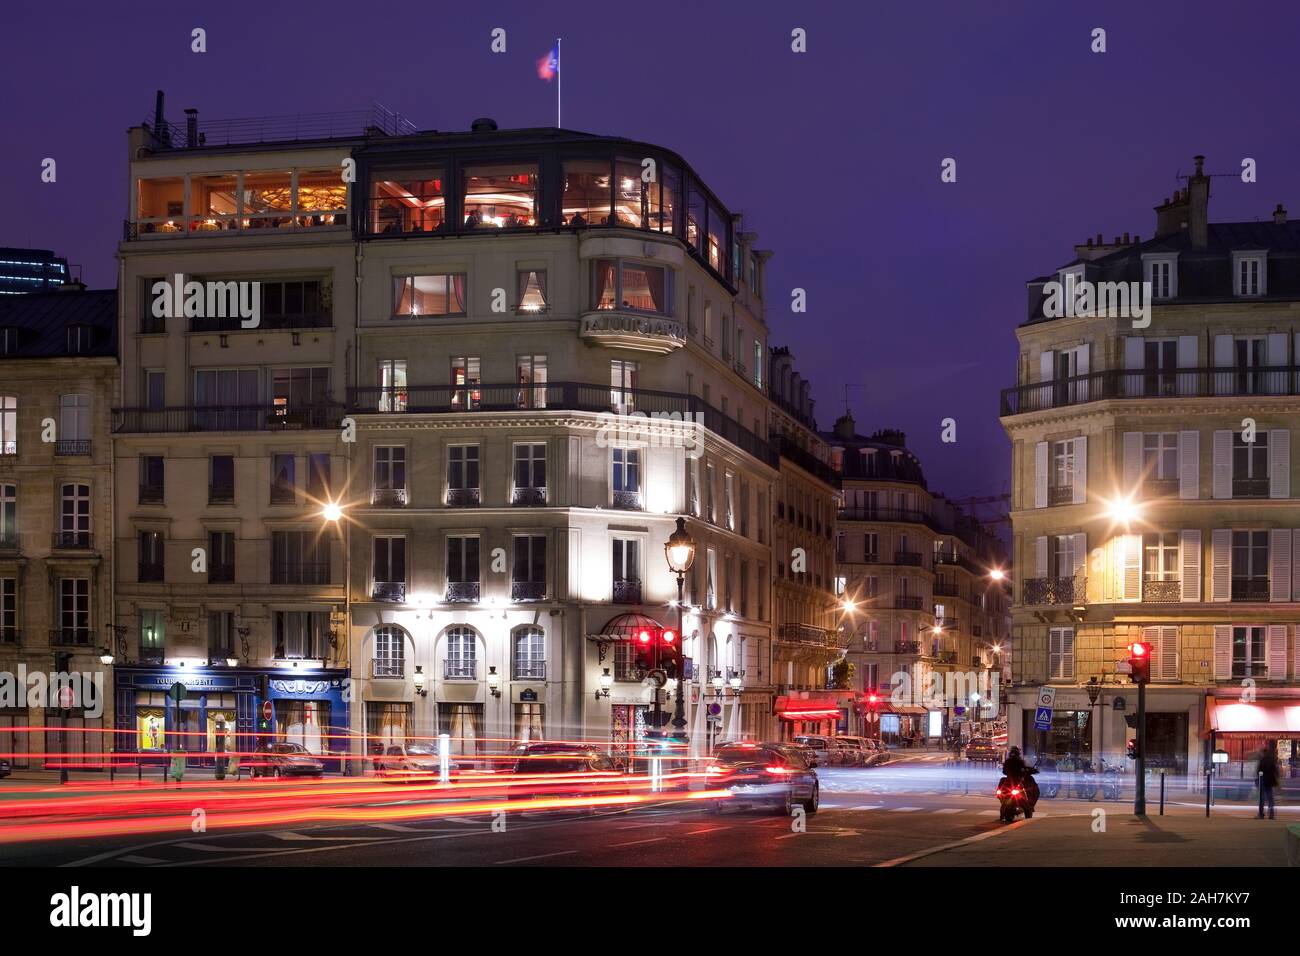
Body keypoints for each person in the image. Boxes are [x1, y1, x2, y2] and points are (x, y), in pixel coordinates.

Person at [1259, 740, 1280, 820]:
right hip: (1270, 781)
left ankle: (1261, 813)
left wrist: (1258, 780)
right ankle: (1271, 814)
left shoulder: (1263, 760)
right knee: (1270, 798)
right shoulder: (1272, 760)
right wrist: (1276, 779)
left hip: (1263, 781)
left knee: (1262, 798)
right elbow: (1275, 770)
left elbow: (1259, 771)